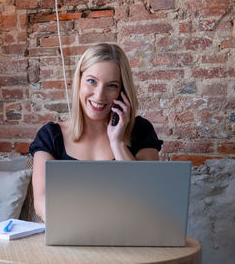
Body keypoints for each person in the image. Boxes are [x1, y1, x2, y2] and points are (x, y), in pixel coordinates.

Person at [29, 43, 163, 222]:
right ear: (79, 81)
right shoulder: (50, 136)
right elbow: (41, 201)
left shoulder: (141, 130)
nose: (99, 95)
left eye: (112, 86)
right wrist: (79, 229)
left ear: (122, 91)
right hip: (69, 237)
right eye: (92, 81)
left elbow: (147, 199)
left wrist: (118, 143)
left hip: (128, 241)